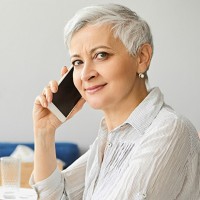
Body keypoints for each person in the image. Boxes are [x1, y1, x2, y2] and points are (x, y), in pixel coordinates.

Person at [30, 3, 200, 200]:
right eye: (78, 62)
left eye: (101, 55)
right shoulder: (109, 139)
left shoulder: (169, 130)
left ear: (142, 58)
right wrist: (44, 133)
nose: (86, 74)